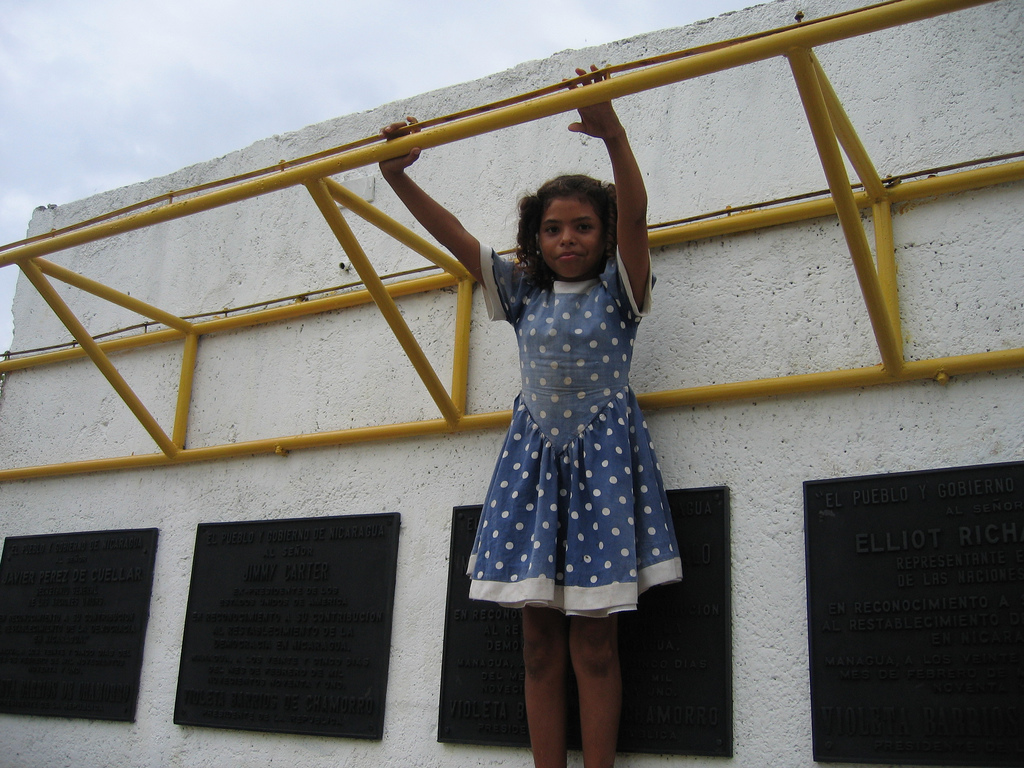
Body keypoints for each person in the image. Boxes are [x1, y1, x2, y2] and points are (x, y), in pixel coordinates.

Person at [379, 66, 682, 768]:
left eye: (583, 226)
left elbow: (636, 217)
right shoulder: (522, 294)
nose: (567, 238)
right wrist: (396, 178)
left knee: (595, 645)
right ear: (535, 239)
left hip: (604, 475)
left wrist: (614, 136)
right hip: (533, 474)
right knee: (538, 645)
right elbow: (456, 237)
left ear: (604, 236)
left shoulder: (620, 291)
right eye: (552, 229)